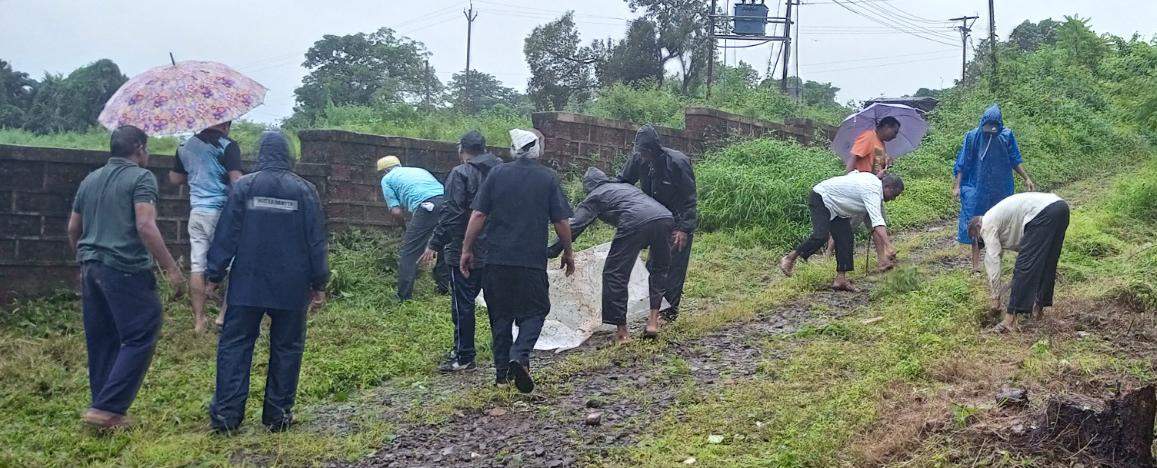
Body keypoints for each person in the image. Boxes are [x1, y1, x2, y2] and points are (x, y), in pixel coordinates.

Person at [204, 131, 329, 433]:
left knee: (235, 346)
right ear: (288, 156)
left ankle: (226, 418)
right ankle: (278, 415)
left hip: (248, 283)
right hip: (291, 285)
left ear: (260, 155)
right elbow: (316, 240)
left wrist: (214, 273)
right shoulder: (305, 190)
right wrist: (319, 282)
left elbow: (227, 233)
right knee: (287, 348)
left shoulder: (244, 187)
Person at [67, 125, 186, 430]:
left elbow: (73, 229)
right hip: (125, 267)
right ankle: (108, 409)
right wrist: (171, 269)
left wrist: (83, 260)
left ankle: (103, 408)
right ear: (138, 148)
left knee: (103, 338)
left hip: (91, 267)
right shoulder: (141, 177)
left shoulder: (90, 180)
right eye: (145, 148)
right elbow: (146, 225)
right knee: (141, 331)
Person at [460, 128, 575, 394]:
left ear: (513, 149)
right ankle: (520, 355)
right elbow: (560, 221)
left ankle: (502, 377)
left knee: (500, 316)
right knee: (535, 311)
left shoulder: (497, 174)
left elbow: (478, 215)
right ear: (537, 150)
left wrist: (467, 249)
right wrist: (568, 252)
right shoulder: (547, 178)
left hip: (495, 260)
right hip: (530, 262)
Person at [548, 167, 673, 344]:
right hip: (664, 217)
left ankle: (622, 333)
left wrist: (551, 250)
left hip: (635, 221)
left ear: (589, 187)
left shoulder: (595, 195)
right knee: (659, 269)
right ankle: (653, 322)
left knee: (614, 274)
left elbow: (574, 225)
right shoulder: (625, 187)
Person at [420, 130, 502, 373]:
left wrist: (435, 243)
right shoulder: (501, 169)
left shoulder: (461, 173)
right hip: (498, 249)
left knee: (462, 304)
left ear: (461, 150)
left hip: (467, 249)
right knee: (498, 305)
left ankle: (464, 355)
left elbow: (453, 213)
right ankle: (503, 354)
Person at [615, 124, 697, 322]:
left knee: (674, 265)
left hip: (677, 220)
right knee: (654, 264)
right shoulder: (637, 160)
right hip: (653, 219)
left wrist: (683, 229)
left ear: (653, 149)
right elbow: (623, 182)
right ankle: (653, 308)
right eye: (640, 152)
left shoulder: (677, 162)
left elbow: (689, 198)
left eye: (645, 152)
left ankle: (669, 312)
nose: (642, 156)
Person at [169, 121, 243, 333]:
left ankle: (199, 321)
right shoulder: (227, 145)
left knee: (197, 265)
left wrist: (196, 171)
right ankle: (222, 316)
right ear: (225, 124)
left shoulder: (184, 146)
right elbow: (237, 181)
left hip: (197, 212)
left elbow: (175, 178)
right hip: (220, 213)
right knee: (233, 263)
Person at [779, 171, 906, 291]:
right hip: (822, 198)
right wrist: (888, 246)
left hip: (838, 208)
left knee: (846, 239)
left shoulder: (873, 181)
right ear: (888, 186)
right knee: (821, 236)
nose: (893, 199)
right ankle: (790, 258)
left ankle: (840, 280)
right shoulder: (872, 190)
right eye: (894, 194)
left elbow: (853, 174)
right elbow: (877, 221)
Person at [968, 192, 1068, 333]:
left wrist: (995, 297)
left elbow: (993, 260)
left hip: (1042, 213)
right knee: (1047, 263)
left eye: (977, 238)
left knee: (1023, 267)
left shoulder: (986, 224)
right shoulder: (998, 218)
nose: (980, 240)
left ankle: (1010, 321)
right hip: (1060, 207)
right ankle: (1038, 312)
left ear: (978, 228)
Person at [953, 104, 1036, 266]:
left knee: (1000, 223)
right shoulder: (972, 137)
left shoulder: (1006, 136)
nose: (990, 131)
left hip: (1000, 187)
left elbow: (1014, 159)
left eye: (994, 127)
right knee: (976, 223)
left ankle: (996, 260)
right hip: (977, 188)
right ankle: (975, 266)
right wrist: (957, 186)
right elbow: (962, 163)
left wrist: (1026, 178)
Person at [378, 156, 450, 301]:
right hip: (447, 203)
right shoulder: (418, 170)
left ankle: (403, 297)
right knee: (442, 243)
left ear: (385, 171)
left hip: (426, 206)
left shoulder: (387, 179)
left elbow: (396, 211)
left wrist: (404, 227)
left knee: (409, 252)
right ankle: (443, 287)